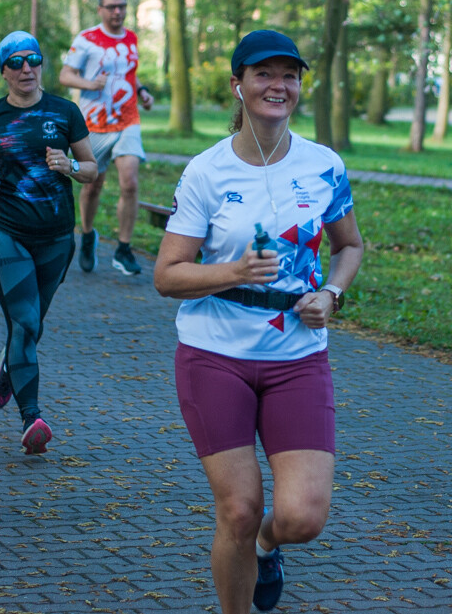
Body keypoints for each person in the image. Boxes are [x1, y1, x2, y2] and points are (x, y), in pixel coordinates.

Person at [153, 30, 363, 614]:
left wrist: (332, 294)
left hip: (297, 356)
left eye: (289, 75)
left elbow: (349, 246)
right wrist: (235, 271)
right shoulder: (207, 172)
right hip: (214, 354)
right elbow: (168, 275)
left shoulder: (324, 165)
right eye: (264, 74)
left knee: (302, 517)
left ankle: (268, 548)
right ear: (237, 85)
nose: (279, 86)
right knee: (240, 510)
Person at [0, 31, 97, 455]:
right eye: (15, 62)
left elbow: (91, 167)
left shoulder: (65, 111)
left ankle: (9, 365)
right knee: (26, 321)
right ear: (3, 71)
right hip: (6, 229)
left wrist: (69, 166)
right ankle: (31, 417)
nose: (26, 69)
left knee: (30, 324)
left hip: (56, 236)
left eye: (33, 59)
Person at [59, 0, 154, 276]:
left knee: (130, 182)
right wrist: (90, 84)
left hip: (128, 120)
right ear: (100, 9)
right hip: (94, 124)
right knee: (92, 186)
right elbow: (65, 75)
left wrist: (142, 91)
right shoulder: (86, 39)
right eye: (112, 7)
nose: (118, 12)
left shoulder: (131, 38)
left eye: (122, 6)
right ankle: (88, 235)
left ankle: (123, 249)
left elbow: (128, 74)